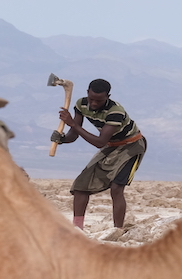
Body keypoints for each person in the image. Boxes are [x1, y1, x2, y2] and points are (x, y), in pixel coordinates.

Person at [50, 78, 147, 229]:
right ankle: (77, 229)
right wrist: (62, 139)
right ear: (87, 93)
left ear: (108, 96)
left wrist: (73, 124)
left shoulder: (115, 112)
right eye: (91, 99)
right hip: (111, 146)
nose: (94, 104)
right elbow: (74, 134)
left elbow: (99, 142)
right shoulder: (81, 104)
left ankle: (117, 230)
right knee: (81, 186)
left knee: (116, 188)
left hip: (131, 146)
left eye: (99, 100)